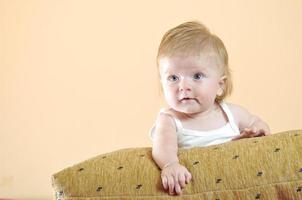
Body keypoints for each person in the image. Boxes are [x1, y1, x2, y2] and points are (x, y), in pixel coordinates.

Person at [149, 21, 271, 196]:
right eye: (173, 78)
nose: (183, 86)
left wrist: (259, 130)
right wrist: (170, 165)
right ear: (162, 82)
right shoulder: (170, 120)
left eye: (197, 76)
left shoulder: (231, 114)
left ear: (220, 85)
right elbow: (162, 147)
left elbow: (256, 123)